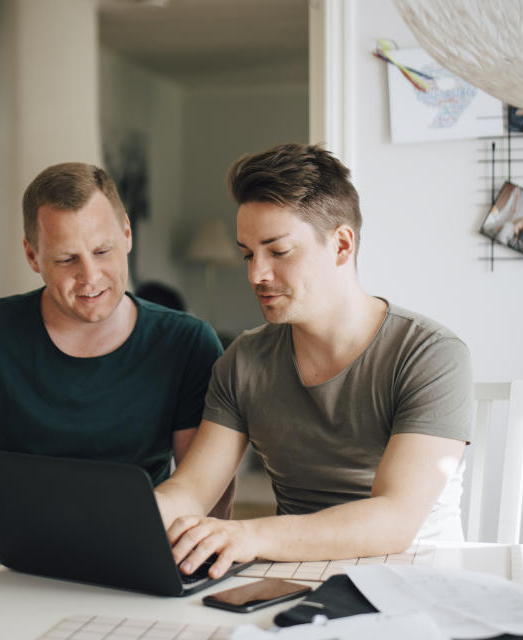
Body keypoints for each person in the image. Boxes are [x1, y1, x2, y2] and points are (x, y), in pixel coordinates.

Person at [0, 162, 230, 532]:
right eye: (67, 259)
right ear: (32, 255)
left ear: (127, 234)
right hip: (8, 549)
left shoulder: (188, 344)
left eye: (102, 251)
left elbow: (205, 499)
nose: (90, 277)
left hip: (134, 540)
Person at [155, 143, 473, 579]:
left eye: (278, 251)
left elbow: (395, 520)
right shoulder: (243, 361)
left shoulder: (430, 354)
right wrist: (123, 521)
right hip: (292, 578)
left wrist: (250, 535)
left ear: (341, 245)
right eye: (248, 253)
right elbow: (192, 490)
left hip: (419, 578)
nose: (256, 275)